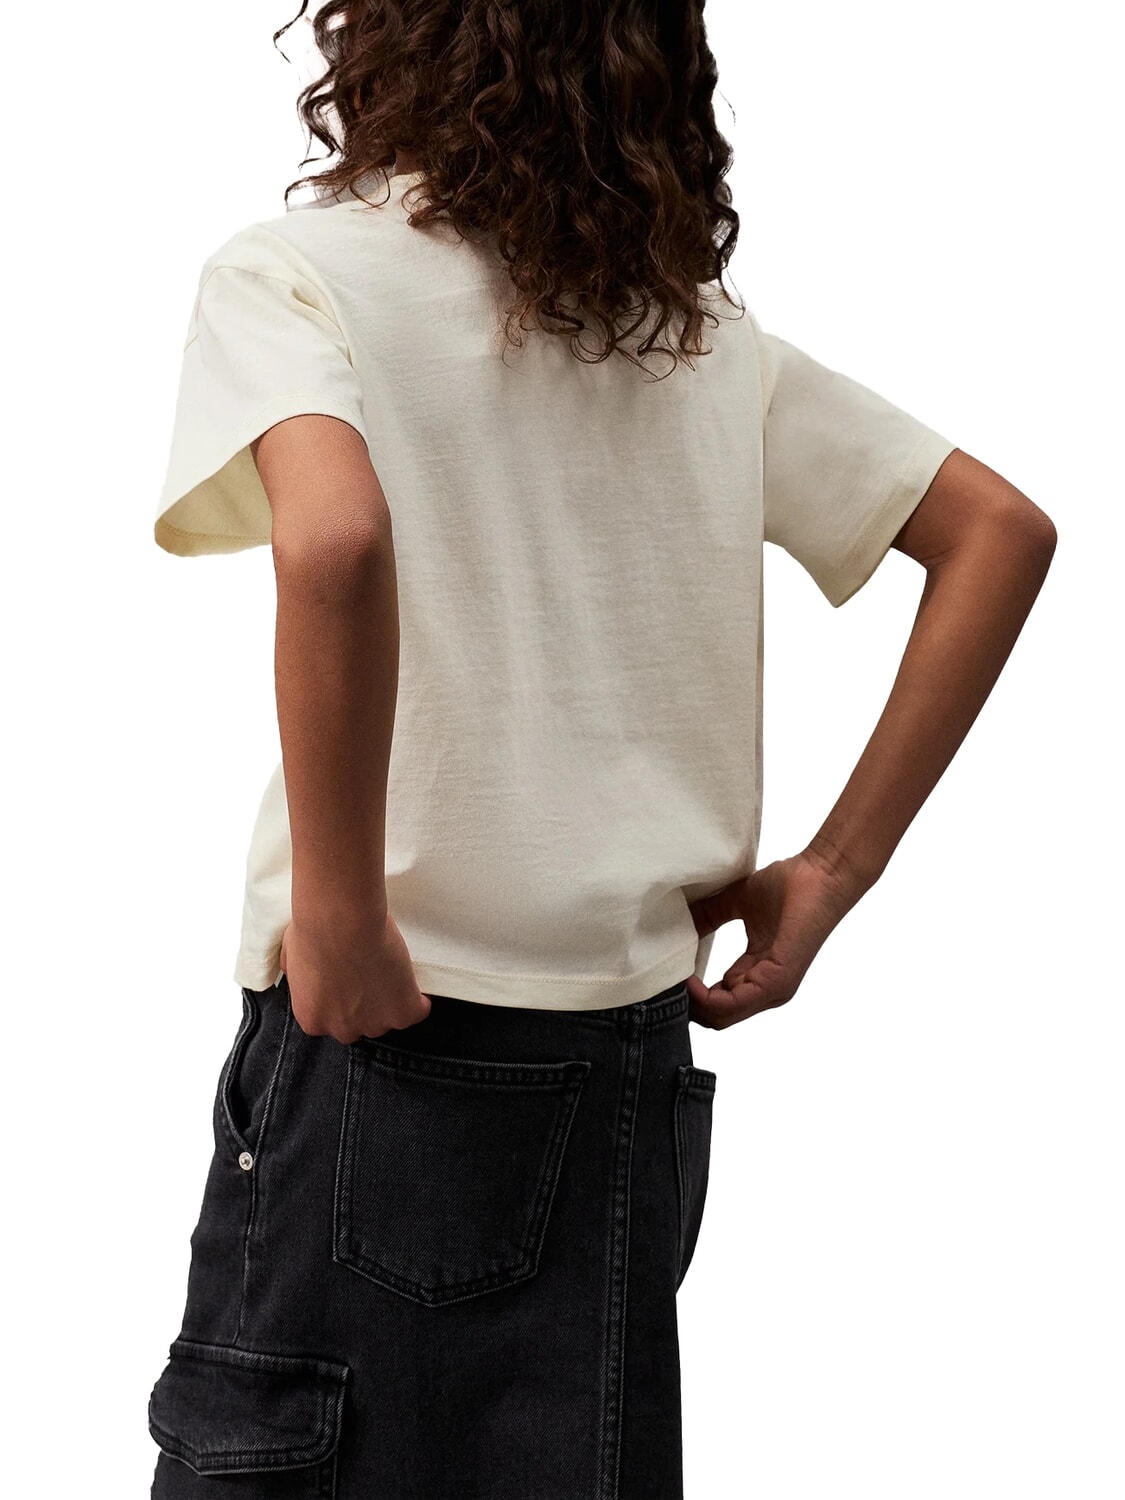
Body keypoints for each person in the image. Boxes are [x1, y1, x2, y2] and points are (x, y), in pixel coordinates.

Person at [143, 3, 1057, 1497]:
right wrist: (830, 871)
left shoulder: (299, 278)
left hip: (389, 1042)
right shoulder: (692, 339)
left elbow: (335, 541)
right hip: (627, 1063)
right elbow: (996, 534)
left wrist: (340, 910)